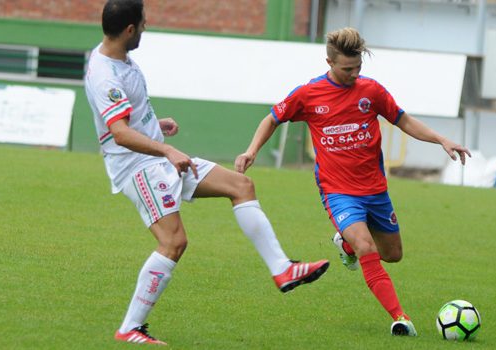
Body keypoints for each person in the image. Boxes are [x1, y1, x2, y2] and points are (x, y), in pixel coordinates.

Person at [84, 0, 329, 345]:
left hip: (157, 158)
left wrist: (156, 125)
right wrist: (167, 148)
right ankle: (130, 328)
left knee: (241, 185)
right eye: (142, 23)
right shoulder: (104, 73)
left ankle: (282, 270)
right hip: (138, 167)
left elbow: (130, 119)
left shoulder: (121, 61)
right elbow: (120, 133)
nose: (145, 27)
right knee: (173, 242)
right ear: (129, 29)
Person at [235, 27, 471, 337]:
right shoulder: (308, 94)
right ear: (329, 62)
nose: (353, 74)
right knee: (365, 245)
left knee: (392, 254)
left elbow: (404, 120)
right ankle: (400, 317)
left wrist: (441, 139)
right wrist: (252, 151)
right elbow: (272, 118)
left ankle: (344, 243)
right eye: (347, 69)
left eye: (358, 68)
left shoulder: (371, 91)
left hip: (375, 190)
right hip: (338, 192)